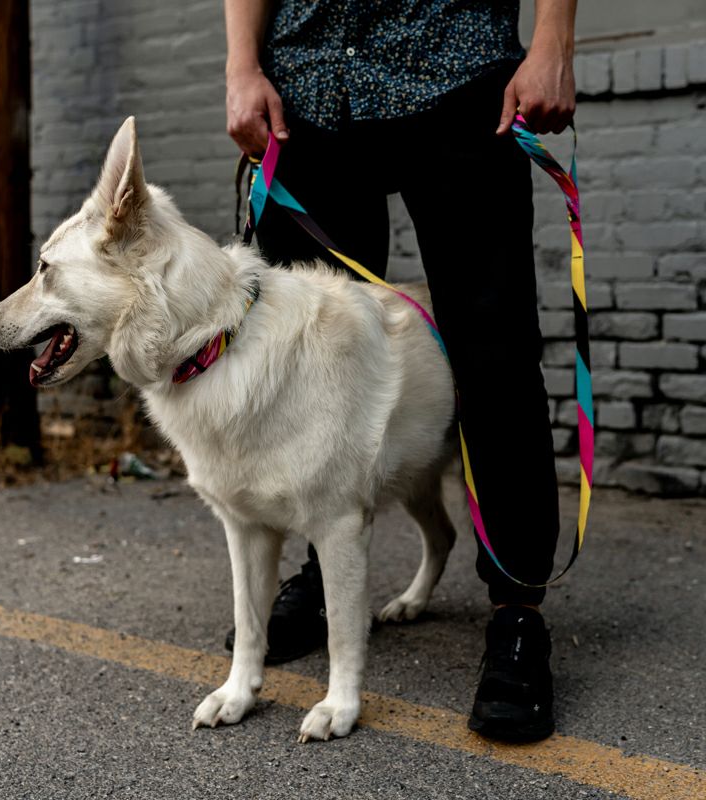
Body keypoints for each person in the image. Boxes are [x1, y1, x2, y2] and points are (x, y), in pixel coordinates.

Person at [223, 0, 576, 742]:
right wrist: (242, 64)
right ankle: (326, 577)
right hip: (309, 86)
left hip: (456, 68)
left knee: (494, 355)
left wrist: (552, 42)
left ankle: (517, 609)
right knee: (304, 363)